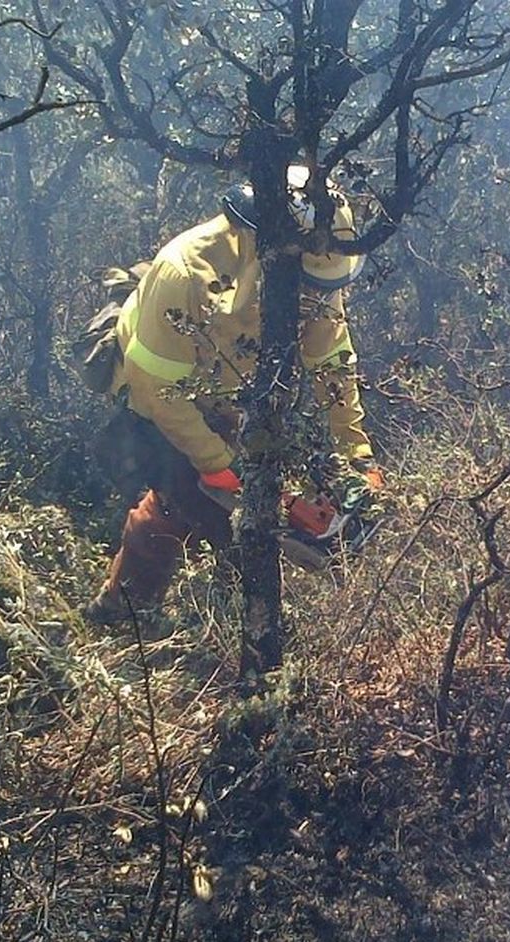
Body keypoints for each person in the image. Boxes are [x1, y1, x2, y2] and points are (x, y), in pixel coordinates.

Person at [83, 170, 383, 625]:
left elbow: (330, 357)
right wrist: (221, 465)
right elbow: (160, 392)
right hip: (156, 399)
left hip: (229, 394)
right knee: (190, 507)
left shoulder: (319, 267)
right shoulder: (185, 272)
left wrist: (355, 452)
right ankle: (123, 615)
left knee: (218, 513)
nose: (314, 296)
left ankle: (214, 610)